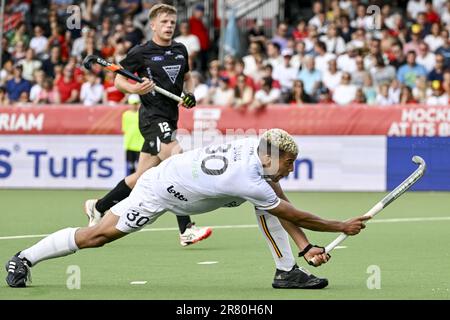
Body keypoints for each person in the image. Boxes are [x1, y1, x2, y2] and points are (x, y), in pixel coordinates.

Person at [5, 129, 369, 289]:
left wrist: (306, 247)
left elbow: (280, 201)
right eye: (288, 163)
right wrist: (340, 226)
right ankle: (24, 258)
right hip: (159, 191)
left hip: (181, 179)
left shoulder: (255, 150)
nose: (291, 169)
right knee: (97, 236)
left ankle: (287, 272)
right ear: (271, 158)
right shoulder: (246, 178)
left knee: (270, 206)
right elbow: (291, 212)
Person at [83, 4, 212, 246]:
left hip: (171, 115)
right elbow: (119, 79)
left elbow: (187, 77)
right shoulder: (141, 53)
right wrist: (136, 88)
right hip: (152, 117)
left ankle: (98, 206)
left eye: (172, 22)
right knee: (175, 161)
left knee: (142, 176)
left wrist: (189, 93)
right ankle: (186, 229)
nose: (169, 26)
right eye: (164, 22)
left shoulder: (179, 49)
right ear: (153, 25)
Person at [122, 94, 145, 175]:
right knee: (130, 167)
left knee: (140, 168)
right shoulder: (125, 115)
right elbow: (125, 129)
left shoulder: (142, 114)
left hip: (140, 146)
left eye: (136, 103)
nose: (134, 106)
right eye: (133, 104)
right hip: (129, 145)